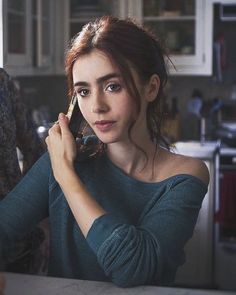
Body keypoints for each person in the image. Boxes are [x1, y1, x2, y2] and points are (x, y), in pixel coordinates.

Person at [0, 16, 209, 287]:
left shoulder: (186, 176)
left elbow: (134, 267)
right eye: (84, 91)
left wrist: (67, 177)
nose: (97, 106)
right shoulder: (66, 159)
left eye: (112, 86)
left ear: (152, 87)